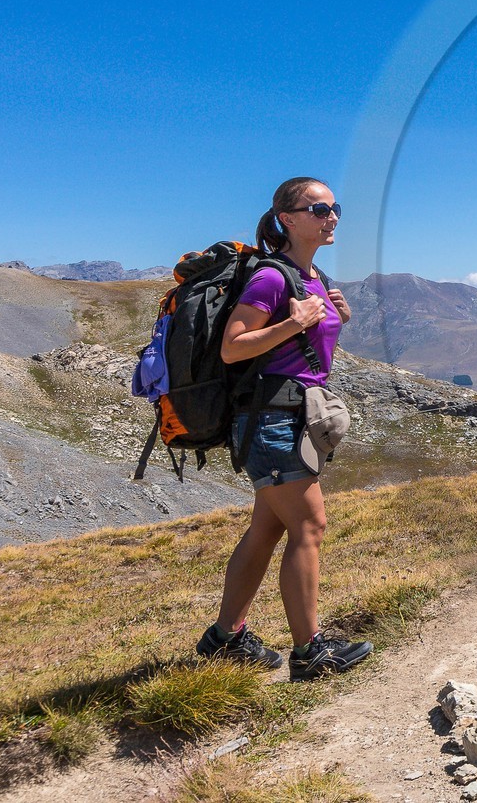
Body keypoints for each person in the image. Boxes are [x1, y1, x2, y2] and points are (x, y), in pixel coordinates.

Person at [195, 176, 374, 680]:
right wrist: (295, 323)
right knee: (310, 525)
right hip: (272, 420)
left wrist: (335, 317)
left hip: (290, 417)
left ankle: (224, 638)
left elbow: (306, 352)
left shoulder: (312, 275)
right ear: (287, 219)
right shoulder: (272, 278)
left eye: (335, 207)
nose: (331, 216)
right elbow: (235, 346)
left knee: (268, 528)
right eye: (319, 209)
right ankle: (309, 651)